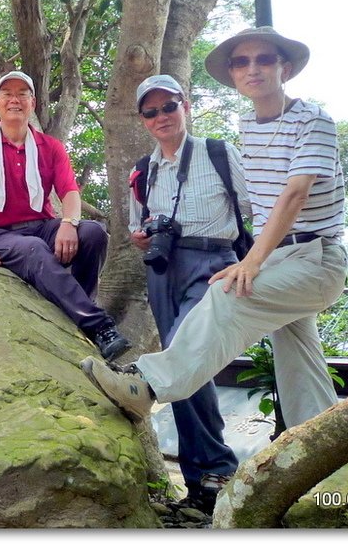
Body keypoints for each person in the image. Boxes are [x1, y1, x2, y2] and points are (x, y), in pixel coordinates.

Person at [83, 27, 347, 442]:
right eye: (241, 61)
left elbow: (295, 194)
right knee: (299, 360)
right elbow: (263, 204)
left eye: (264, 59)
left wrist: (251, 261)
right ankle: (323, 443)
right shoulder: (250, 124)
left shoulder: (312, 118)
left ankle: (146, 386)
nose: (252, 68)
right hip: (274, 258)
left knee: (225, 297)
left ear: (286, 68)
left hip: (314, 257)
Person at [128, 74, 252, 513]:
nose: (161, 116)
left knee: (184, 349)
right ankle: (203, 483)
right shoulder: (144, 169)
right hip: (163, 268)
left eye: (169, 106)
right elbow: (135, 225)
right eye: (151, 111)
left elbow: (254, 209)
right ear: (143, 120)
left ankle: (216, 465)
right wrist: (142, 237)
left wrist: (249, 262)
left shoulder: (218, 153)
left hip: (213, 261)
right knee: (186, 366)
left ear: (186, 106)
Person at [0, 71, 130, 359]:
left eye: (22, 93)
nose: (15, 99)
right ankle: (99, 325)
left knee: (92, 233)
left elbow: (70, 193)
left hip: (43, 225)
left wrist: (68, 222)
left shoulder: (49, 146)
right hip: (4, 234)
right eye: (7, 94)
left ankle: (80, 307)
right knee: (34, 249)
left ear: (33, 102)